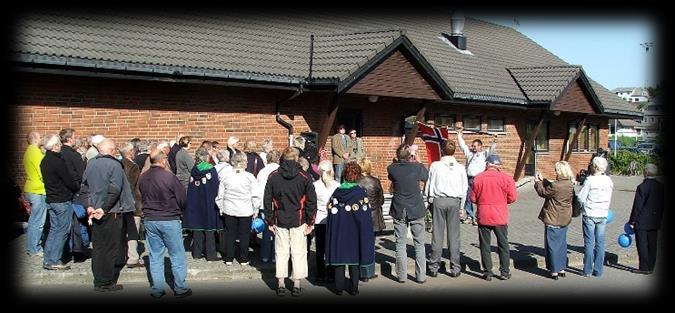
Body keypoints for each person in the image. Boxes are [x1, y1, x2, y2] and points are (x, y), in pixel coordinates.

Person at [83, 139, 136, 291]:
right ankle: (104, 282)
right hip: (110, 212)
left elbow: (84, 187)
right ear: (112, 150)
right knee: (109, 248)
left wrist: (90, 205)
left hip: (95, 209)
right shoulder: (115, 165)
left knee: (99, 247)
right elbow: (114, 189)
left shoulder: (91, 163)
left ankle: (99, 279)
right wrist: (103, 208)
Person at [263, 147, 317, 297]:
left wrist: (269, 220)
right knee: (298, 252)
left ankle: (281, 284)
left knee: (281, 252)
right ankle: (297, 285)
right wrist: (311, 222)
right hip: (298, 219)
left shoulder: (273, 176)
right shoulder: (304, 176)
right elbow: (312, 201)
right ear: (296, 158)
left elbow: (267, 200)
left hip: (280, 218)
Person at [138, 150, 192, 298]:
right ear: (162, 161)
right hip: (169, 218)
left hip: (150, 218)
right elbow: (182, 199)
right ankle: (180, 287)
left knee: (155, 255)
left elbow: (142, 195)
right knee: (177, 254)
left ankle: (157, 288)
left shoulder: (143, 177)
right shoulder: (169, 177)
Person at [325, 162, 374, 296]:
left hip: (340, 230)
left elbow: (331, 211)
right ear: (357, 176)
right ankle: (354, 288)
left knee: (340, 258)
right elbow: (365, 216)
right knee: (354, 260)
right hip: (355, 231)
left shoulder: (337, 192)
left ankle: (339, 288)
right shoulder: (360, 193)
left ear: (344, 175)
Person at [424, 140, 467, 278]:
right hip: (455, 200)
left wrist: (428, 201)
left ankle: (434, 266)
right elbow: (464, 188)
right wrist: (462, 206)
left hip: (438, 200)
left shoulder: (435, 166)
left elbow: (429, 185)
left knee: (437, 234)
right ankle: (455, 267)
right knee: (454, 236)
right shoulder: (460, 167)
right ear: (454, 151)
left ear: (442, 150)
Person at [471, 154, 517, 281]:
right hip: (500, 215)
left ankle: (487, 272)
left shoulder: (478, 178)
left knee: (485, 244)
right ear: (498, 166)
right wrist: (502, 201)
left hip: (484, 214)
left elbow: (473, 198)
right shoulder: (506, 178)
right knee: (503, 244)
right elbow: (512, 197)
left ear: (487, 164)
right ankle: (504, 271)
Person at [387, 144, 429, 283]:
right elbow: (426, 176)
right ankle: (421, 276)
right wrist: (419, 160)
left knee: (400, 243)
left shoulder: (392, 169)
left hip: (399, 208)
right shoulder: (417, 167)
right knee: (419, 243)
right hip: (416, 207)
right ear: (410, 156)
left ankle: (402, 276)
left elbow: (392, 175)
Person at [40, 133, 80, 270]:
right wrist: (75, 188)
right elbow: (68, 180)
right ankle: (54, 260)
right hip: (61, 199)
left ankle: (48, 258)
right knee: (62, 230)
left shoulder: (44, 160)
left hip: (51, 198)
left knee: (54, 229)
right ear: (55, 146)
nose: (59, 147)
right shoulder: (57, 161)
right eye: (57, 144)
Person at [217, 152, 261, 265]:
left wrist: (221, 208)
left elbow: (220, 195)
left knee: (230, 234)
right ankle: (244, 258)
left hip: (229, 209)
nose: (247, 163)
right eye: (246, 161)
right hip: (245, 210)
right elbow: (255, 195)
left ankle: (229, 258)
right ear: (242, 162)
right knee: (244, 234)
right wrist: (256, 209)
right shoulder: (249, 177)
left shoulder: (226, 176)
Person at [534, 161, 574, 280]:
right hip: (564, 217)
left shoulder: (556, 186)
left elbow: (544, 192)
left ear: (560, 171)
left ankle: (554, 270)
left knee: (552, 245)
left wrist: (538, 183)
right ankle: (561, 268)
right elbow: (552, 187)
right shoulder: (570, 184)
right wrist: (544, 180)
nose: (555, 172)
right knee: (562, 244)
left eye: (556, 170)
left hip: (553, 217)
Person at [183, 147, 223, 261]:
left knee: (198, 228)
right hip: (209, 202)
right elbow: (216, 186)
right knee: (209, 229)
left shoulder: (194, 170)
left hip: (196, 202)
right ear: (206, 157)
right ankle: (211, 255)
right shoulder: (211, 169)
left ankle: (197, 253)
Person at [577, 156, 613, 278]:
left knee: (589, 242)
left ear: (595, 166)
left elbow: (581, 197)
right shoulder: (608, 180)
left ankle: (587, 269)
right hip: (603, 213)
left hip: (590, 213)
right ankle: (598, 270)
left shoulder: (590, 180)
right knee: (600, 242)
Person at [457, 126, 497, 225]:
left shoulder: (484, 154)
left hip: (480, 179)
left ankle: (478, 217)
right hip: (469, 179)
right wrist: (459, 134)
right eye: (472, 146)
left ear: (480, 146)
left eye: (475, 146)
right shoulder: (469, 154)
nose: (473, 147)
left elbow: (491, 150)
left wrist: (495, 141)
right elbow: (463, 146)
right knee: (469, 198)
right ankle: (470, 216)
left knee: (480, 198)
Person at [629, 164, 664, 275]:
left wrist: (632, 221)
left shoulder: (642, 187)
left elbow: (638, 206)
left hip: (642, 220)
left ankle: (644, 267)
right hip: (655, 219)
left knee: (642, 244)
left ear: (646, 173)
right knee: (653, 244)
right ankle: (651, 267)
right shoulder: (661, 186)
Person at [356, 157, 385, 282]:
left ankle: (359, 271)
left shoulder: (355, 181)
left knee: (358, 245)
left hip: (358, 217)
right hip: (373, 216)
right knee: (370, 246)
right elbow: (381, 200)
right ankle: (369, 272)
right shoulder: (375, 181)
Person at [312, 160, 340, 283]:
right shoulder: (337, 185)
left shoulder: (315, 185)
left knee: (320, 248)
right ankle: (332, 273)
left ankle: (320, 274)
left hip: (319, 219)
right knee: (332, 247)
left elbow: (312, 204)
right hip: (333, 220)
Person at [119, 141, 145, 268]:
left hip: (121, 204)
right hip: (132, 203)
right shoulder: (133, 166)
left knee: (123, 231)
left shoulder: (119, 163)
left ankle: (123, 255)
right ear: (129, 152)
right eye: (133, 151)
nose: (134, 152)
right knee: (133, 230)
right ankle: (133, 257)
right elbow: (131, 185)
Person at [23, 131, 48, 257]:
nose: (42, 138)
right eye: (40, 137)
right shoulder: (36, 153)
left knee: (34, 220)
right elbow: (42, 172)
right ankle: (34, 248)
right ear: (36, 139)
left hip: (31, 188)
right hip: (38, 190)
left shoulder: (28, 151)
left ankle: (32, 246)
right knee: (38, 221)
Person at [256, 150, 281, 263]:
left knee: (266, 231)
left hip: (264, 204)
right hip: (277, 204)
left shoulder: (262, 171)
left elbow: (258, 189)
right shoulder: (280, 170)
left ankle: (265, 256)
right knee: (278, 230)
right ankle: (276, 256)